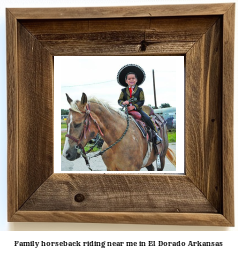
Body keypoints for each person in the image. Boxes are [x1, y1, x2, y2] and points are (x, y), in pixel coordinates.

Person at [117, 64, 162, 144]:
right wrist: (123, 103)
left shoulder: (140, 90)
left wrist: (134, 106)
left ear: (136, 80)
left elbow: (142, 101)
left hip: (138, 110)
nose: (131, 80)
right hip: (127, 111)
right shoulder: (123, 91)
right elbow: (119, 100)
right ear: (126, 81)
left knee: (147, 119)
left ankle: (155, 135)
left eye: (133, 78)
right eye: (129, 79)